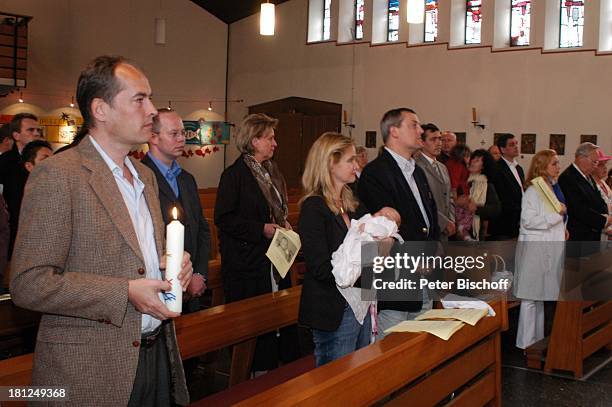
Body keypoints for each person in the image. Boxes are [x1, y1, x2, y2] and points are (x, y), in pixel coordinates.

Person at [10, 55, 192, 406]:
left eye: (150, 98)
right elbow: (28, 283)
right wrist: (124, 291)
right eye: (139, 99)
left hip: (155, 354)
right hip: (91, 368)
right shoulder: (59, 175)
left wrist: (172, 266)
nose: (152, 110)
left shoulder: (146, 177)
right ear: (101, 109)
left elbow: (139, 258)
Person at [299, 132, 398, 366]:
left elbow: (376, 236)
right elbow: (320, 267)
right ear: (331, 163)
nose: (357, 165)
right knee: (337, 381)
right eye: (351, 160)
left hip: (361, 302)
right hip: (334, 308)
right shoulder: (314, 208)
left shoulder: (353, 203)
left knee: (359, 375)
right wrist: (371, 258)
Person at [215, 113, 296, 372]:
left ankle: (274, 369)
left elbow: (277, 209)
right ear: (254, 140)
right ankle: (254, 372)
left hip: (273, 257)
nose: (276, 143)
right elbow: (224, 219)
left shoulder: (272, 172)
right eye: (270, 138)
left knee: (275, 316)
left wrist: (284, 225)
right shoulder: (234, 175)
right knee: (254, 322)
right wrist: (261, 228)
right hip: (248, 262)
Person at [358, 108, 439, 337]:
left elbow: (429, 219)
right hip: (394, 279)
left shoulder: (418, 172)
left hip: (424, 274)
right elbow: (384, 230)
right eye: (414, 125)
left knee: (420, 346)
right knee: (392, 351)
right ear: (394, 131)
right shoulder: (375, 173)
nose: (420, 130)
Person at [142, 108, 210, 310]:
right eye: (174, 134)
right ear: (153, 138)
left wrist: (198, 273)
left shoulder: (187, 179)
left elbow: (202, 229)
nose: (182, 139)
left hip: (192, 283)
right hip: (158, 285)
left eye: (183, 133)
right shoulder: (140, 177)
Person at [514, 150, 567, 349]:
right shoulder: (533, 191)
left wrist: (563, 227)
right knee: (530, 298)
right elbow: (528, 221)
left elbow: (555, 214)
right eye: (554, 163)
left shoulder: (550, 188)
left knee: (540, 296)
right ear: (543, 166)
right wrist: (558, 217)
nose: (558, 167)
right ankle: (525, 343)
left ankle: (537, 341)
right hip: (535, 251)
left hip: (548, 249)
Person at [0, 113, 42, 256]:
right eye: (30, 130)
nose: (36, 134)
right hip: (11, 228)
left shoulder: (47, 161)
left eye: (38, 130)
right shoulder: (4, 162)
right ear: (16, 135)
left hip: (37, 227)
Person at [558, 142, 610, 242]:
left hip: (592, 234)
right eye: (594, 162)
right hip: (578, 236)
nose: (596, 166)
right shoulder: (568, 177)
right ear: (581, 158)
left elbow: (598, 199)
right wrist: (604, 220)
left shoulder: (587, 175)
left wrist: (606, 215)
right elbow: (578, 209)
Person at [415, 123, 455, 240]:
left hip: (446, 229)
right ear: (422, 142)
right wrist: (443, 223)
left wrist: (451, 220)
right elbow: (422, 200)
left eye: (440, 139)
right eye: (433, 139)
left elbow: (449, 196)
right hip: (429, 227)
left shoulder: (442, 167)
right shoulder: (417, 166)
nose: (439, 143)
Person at [454, 150, 501, 241]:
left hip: (475, 233)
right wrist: (456, 202)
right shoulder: (461, 181)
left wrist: (476, 208)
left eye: (477, 160)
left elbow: (496, 209)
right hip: (455, 231)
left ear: (483, 166)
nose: (472, 162)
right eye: (473, 159)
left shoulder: (487, 186)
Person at [490, 134, 525, 240]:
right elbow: (501, 197)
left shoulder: (519, 168)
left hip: (519, 221)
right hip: (504, 222)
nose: (516, 147)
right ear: (503, 149)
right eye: (512, 144)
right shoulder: (496, 168)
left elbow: (521, 192)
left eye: (516, 143)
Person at [592, 150, 612, 240]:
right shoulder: (591, 185)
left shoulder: (603, 183)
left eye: (605, 165)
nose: (605, 168)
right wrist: (607, 229)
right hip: (600, 232)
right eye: (601, 165)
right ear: (593, 166)